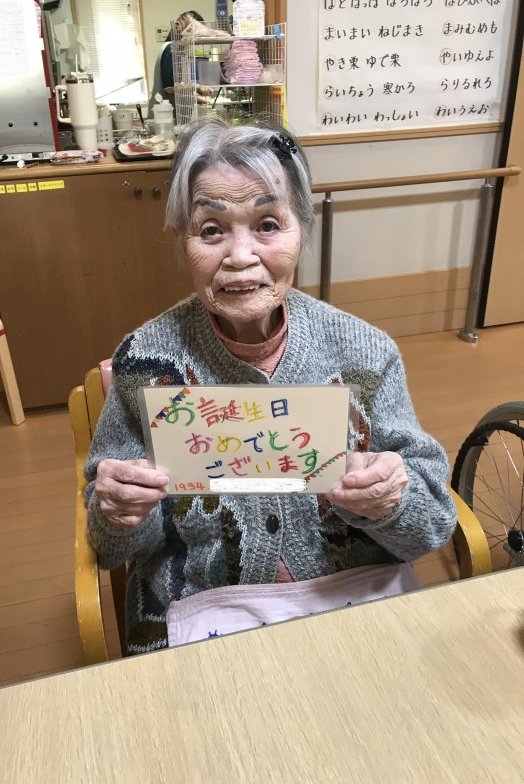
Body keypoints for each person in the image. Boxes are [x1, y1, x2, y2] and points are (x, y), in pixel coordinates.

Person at [84, 119, 457, 654]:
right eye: (211, 230)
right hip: (199, 612)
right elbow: (110, 548)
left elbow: (432, 529)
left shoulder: (365, 353)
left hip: (351, 600)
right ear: (181, 241)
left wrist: (390, 501)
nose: (240, 257)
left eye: (267, 224)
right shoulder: (144, 362)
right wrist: (120, 512)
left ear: (301, 227)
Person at [147, 11, 205, 118]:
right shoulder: (171, 49)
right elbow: (170, 87)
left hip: (168, 116)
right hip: (164, 117)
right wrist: (199, 97)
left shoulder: (175, 48)